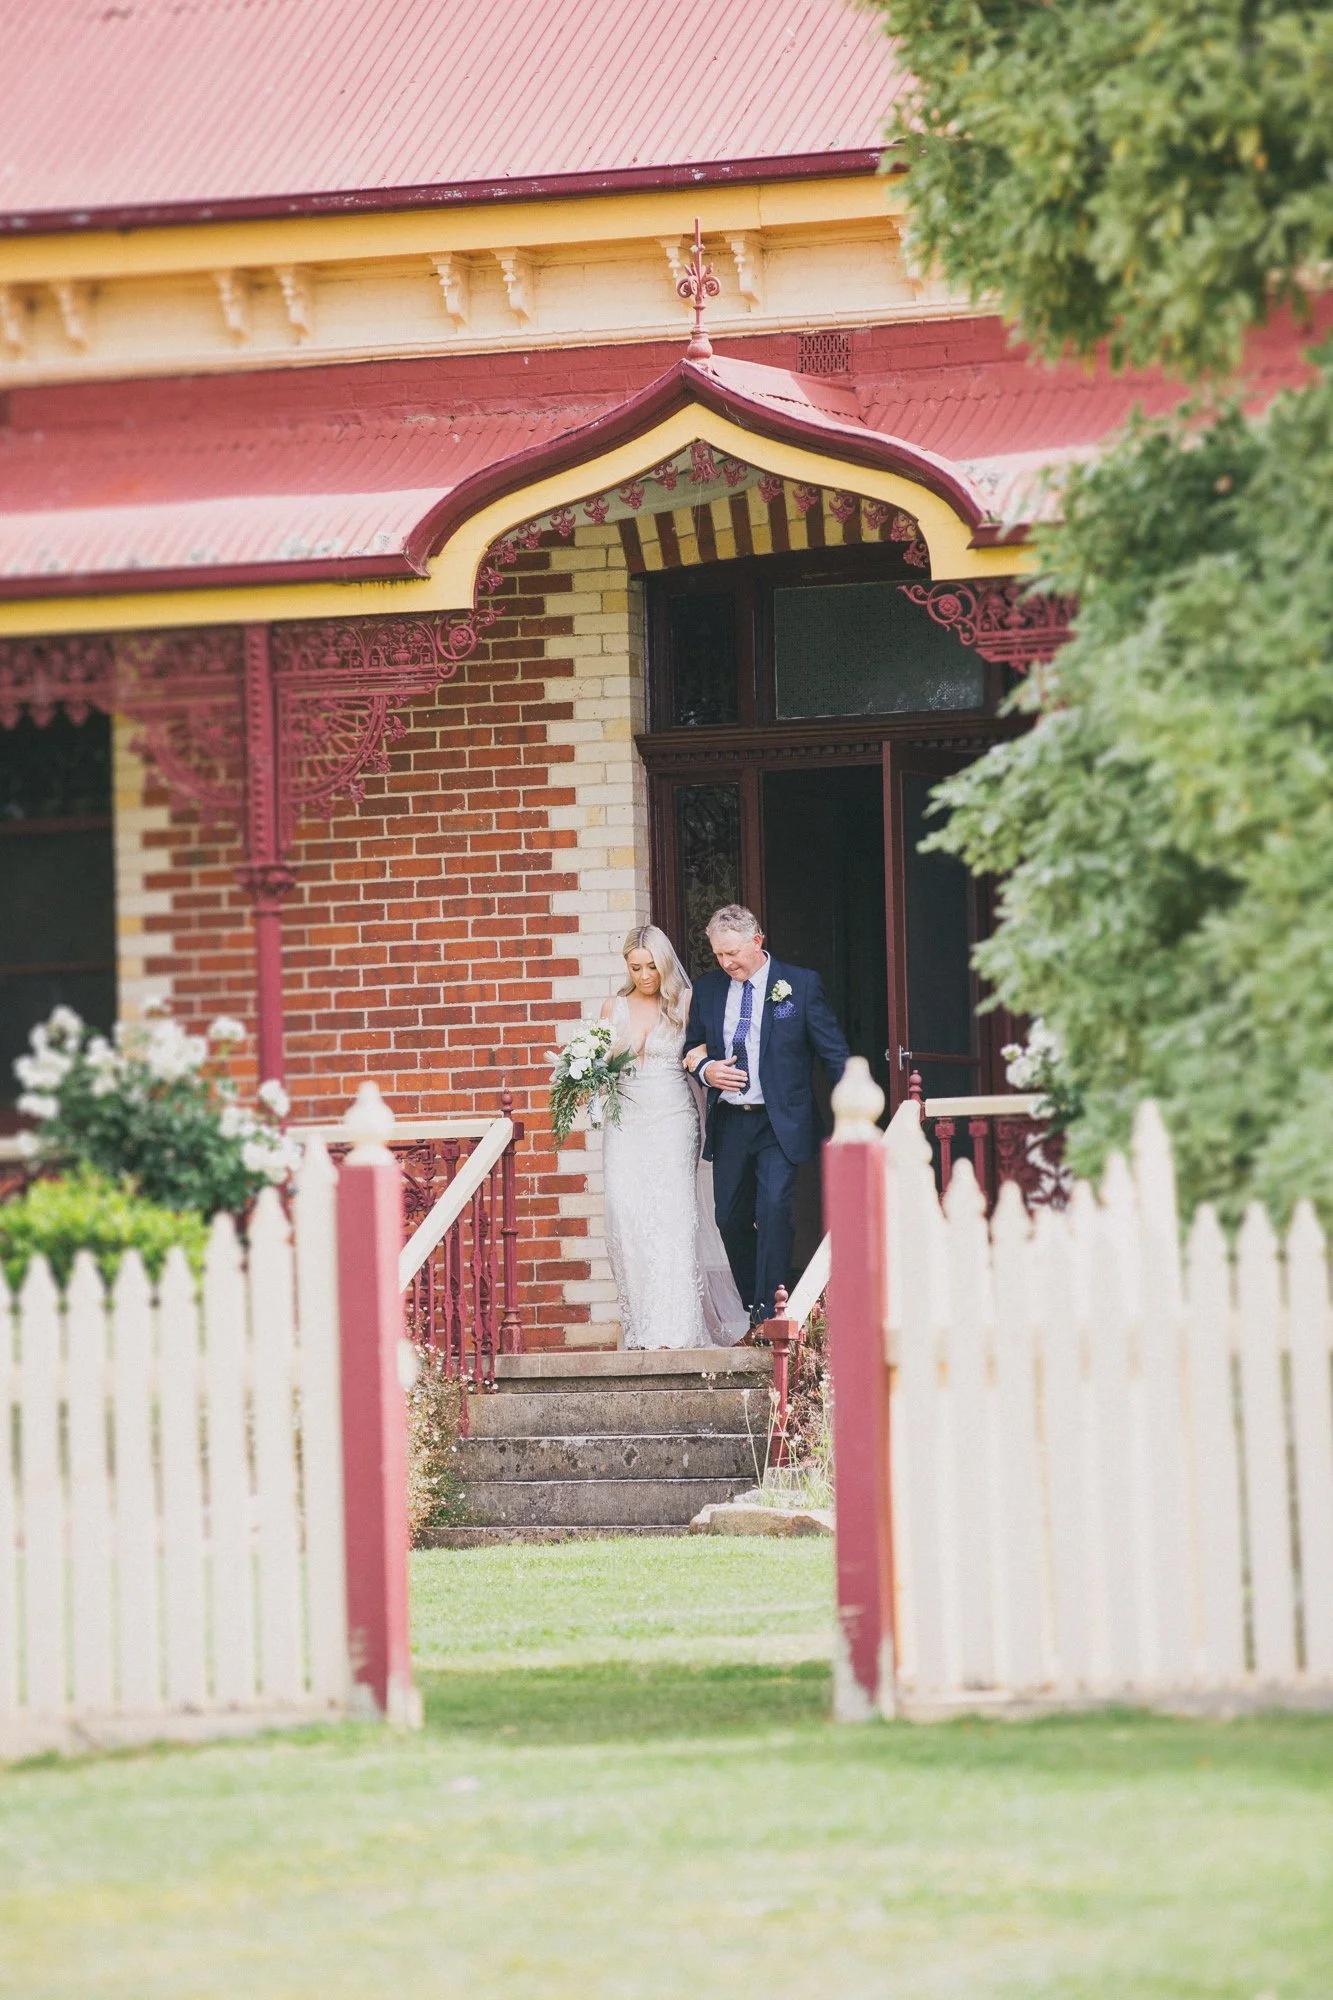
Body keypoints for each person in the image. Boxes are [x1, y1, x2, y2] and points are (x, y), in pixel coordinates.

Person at [684, 904, 850, 1325]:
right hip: (733, 1121)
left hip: (780, 1121)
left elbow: (834, 1053)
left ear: (757, 941)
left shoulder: (800, 984)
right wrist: (707, 1070)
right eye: (718, 955)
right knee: (728, 1217)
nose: (726, 963)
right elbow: (691, 1047)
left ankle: (766, 1313)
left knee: (774, 1208)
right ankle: (753, 1299)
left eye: (732, 953)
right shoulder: (708, 990)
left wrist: (853, 1108)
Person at [599, 926, 747, 1350]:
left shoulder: (686, 1003)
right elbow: (598, 1065)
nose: (645, 976)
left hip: (672, 1119)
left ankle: (675, 1328)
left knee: (671, 1218)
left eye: (651, 967)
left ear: (664, 963)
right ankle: (640, 1326)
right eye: (635, 967)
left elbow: (703, 1053)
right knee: (624, 1214)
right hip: (625, 1123)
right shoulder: (613, 1007)